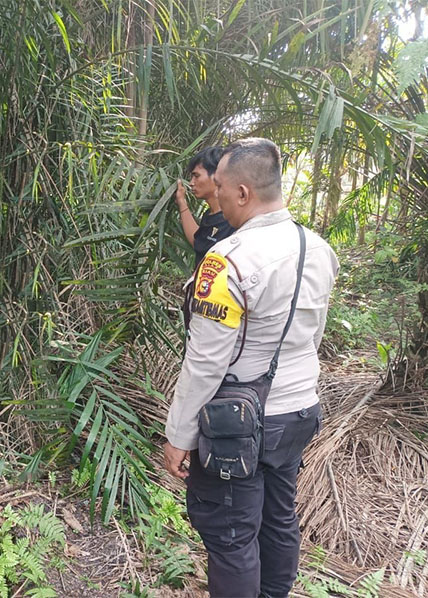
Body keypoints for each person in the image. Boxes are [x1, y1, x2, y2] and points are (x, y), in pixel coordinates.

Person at [163, 138, 339, 597]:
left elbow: (205, 361)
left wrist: (179, 434)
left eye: (220, 186)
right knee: (278, 519)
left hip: (240, 425)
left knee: (231, 536)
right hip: (299, 411)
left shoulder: (227, 260)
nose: (216, 195)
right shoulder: (317, 249)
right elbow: (313, 335)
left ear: (242, 193)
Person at [175, 146, 235, 267]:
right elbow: (198, 242)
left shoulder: (234, 221)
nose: (191, 183)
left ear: (217, 176)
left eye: (196, 176)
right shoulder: (209, 214)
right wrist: (182, 202)